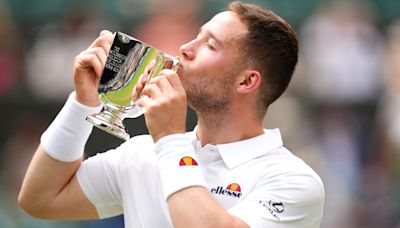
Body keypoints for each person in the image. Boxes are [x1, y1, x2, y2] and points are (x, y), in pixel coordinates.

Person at [18, 2, 324, 227]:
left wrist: (169, 138)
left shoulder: (293, 180)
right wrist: (82, 104)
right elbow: (41, 198)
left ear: (246, 81)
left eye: (210, 45)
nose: (185, 48)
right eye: (196, 36)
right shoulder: (143, 153)